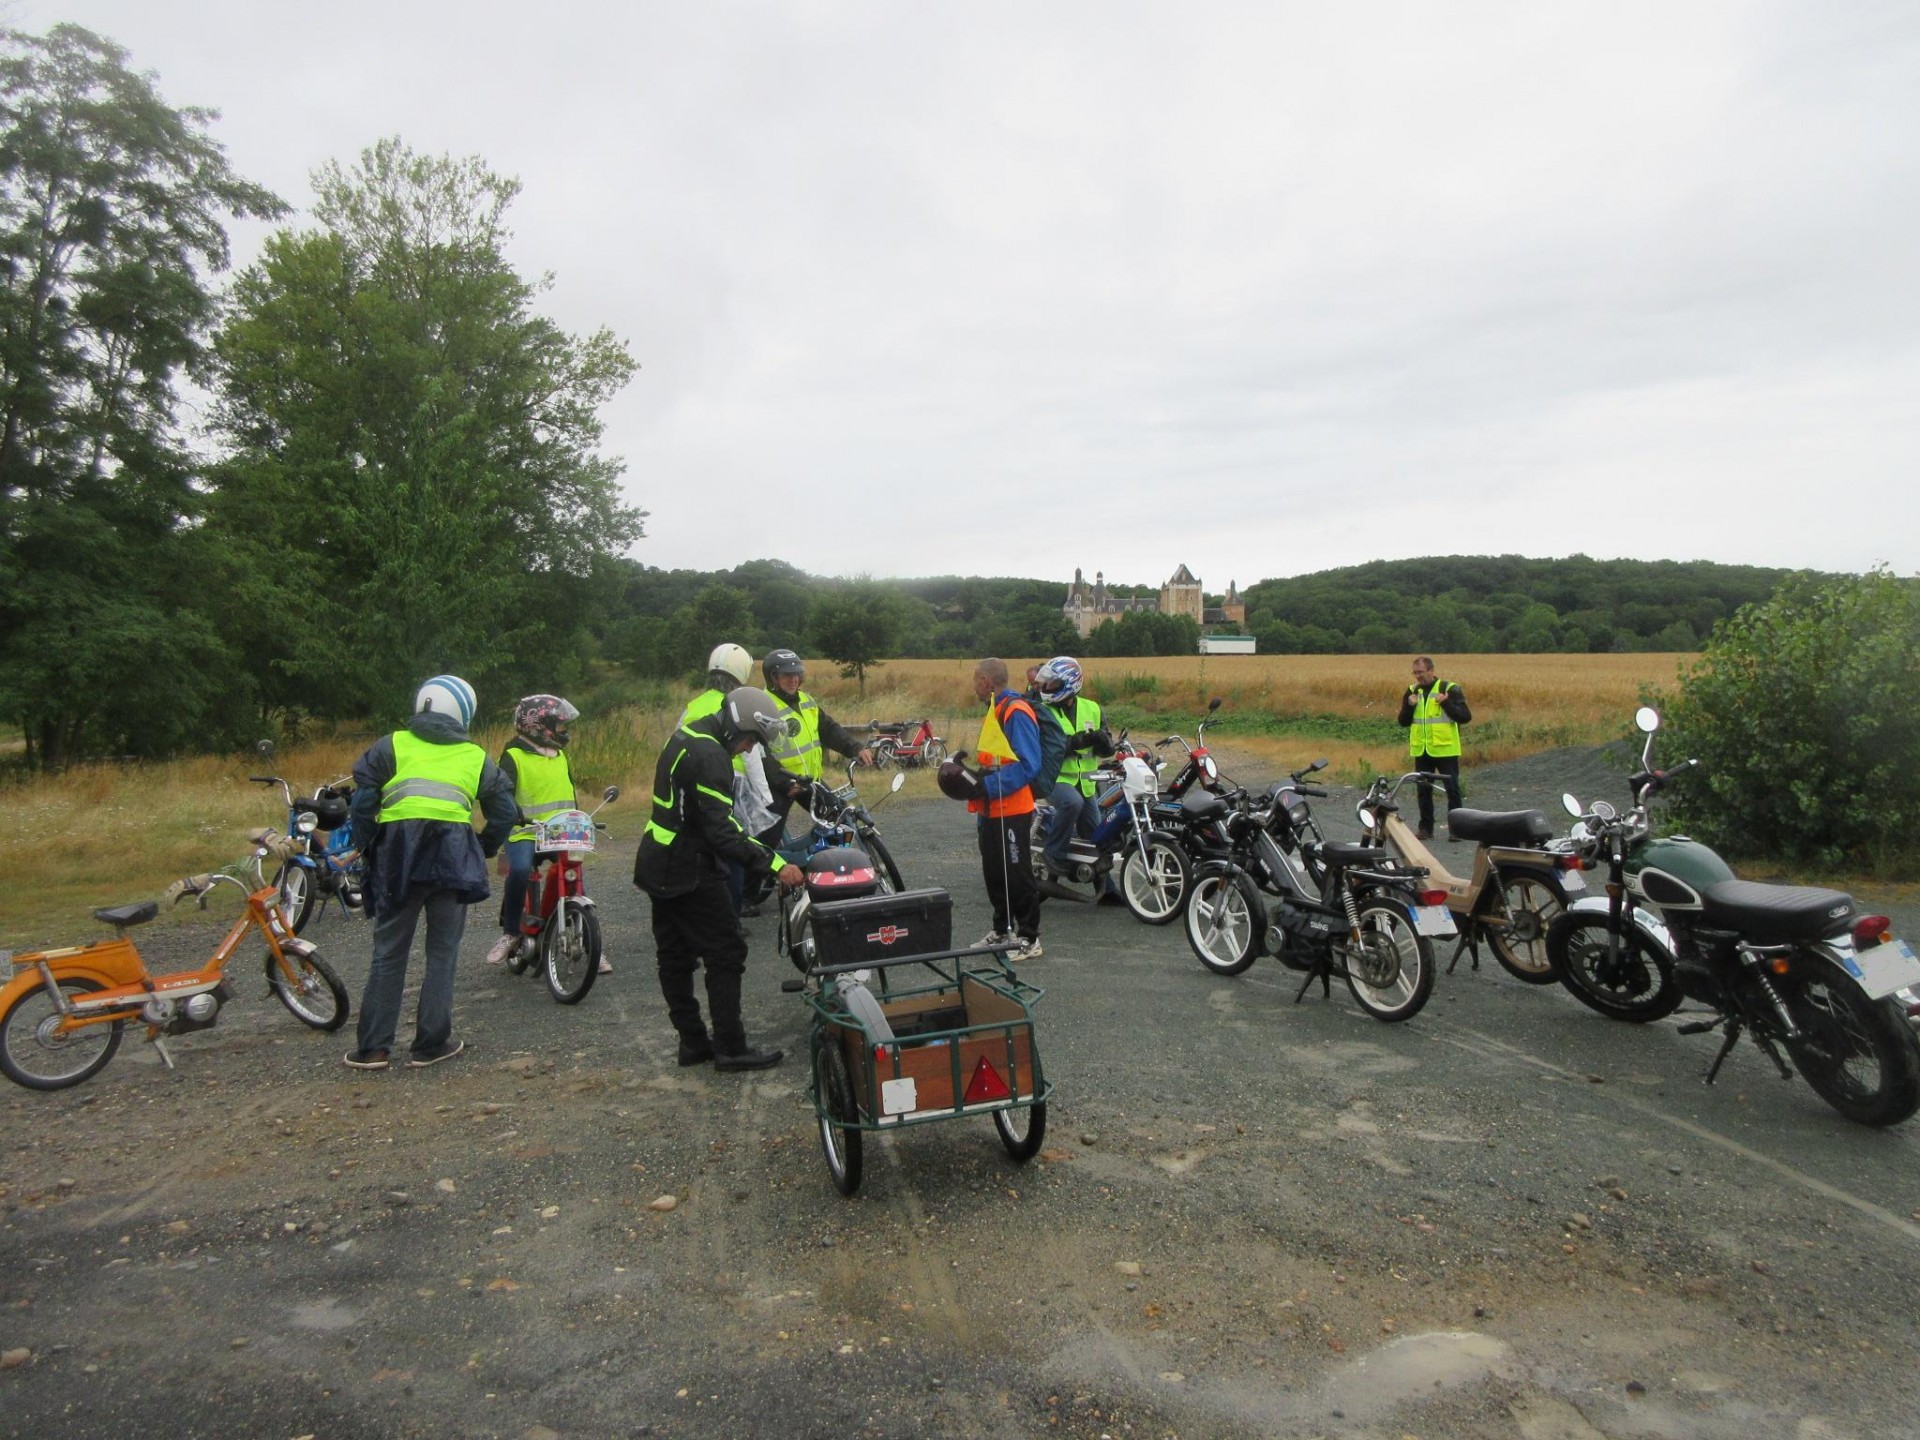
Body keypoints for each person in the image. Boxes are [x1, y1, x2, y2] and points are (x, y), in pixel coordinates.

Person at [343, 674, 517, 1071]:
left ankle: (373, 1049)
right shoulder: (476, 757)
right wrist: (482, 848)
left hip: (398, 858)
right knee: (443, 954)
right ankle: (430, 1044)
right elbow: (504, 813)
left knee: (388, 953)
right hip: (453, 860)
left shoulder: (391, 745)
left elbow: (363, 806)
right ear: (463, 712)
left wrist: (371, 847)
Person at [634, 686, 805, 1071]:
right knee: (726, 953)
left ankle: (693, 1043)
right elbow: (722, 832)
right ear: (735, 728)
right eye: (748, 741)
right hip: (689, 869)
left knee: (674, 956)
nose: (747, 750)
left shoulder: (687, 733)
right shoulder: (711, 756)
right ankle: (730, 1047)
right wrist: (777, 866)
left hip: (657, 860)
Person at [487, 695, 602, 971]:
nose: (564, 731)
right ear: (538, 726)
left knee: (573, 871)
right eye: (559, 725)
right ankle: (511, 932)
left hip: (559, 832)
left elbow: (569, 794)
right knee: (520, 869)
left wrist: (580, 820)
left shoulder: (560, 755)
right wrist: (512, 814)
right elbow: (502, 797)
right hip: (525, 831)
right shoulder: (512, 756)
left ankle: (588, 942)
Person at [956, 657, 1045, 962]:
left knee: (1017, 874)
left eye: (975, 679)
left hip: (1013, 809)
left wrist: (989, 786)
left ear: (987, 682)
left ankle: (1029, 938)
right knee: (994, 873)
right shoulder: (996, 709)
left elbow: (1029, 763)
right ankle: (1002, 929)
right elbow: (995, 760)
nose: (973, 686)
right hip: (991, 809)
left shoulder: (1016, 711)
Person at [758, 649, 872, 821]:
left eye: (796, 674)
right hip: (779, 786)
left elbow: (829, 729)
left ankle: (828, 850)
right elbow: (759, 752)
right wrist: (783, 783)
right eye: (787, 675)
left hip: (808, 781)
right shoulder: (762, 706)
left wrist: (855, 748)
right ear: (773, 678)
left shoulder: (806, 700)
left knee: (837, 818)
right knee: (768, 837)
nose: (794, 680)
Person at [1032, 656, 1107, 878]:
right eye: (1045, 683)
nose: (1046, 687)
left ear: (1070, 683)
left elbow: (1105, 749)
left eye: (1052, 683)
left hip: (1085, 782)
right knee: (1070, 802)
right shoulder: (1043, 711)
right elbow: (1047, 747)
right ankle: (1053, 854)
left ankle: (1106, 888)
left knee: (1097, 834)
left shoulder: (1092, 708)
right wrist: (1077, 742)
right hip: (1054, 778)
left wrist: (1105, 743)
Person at [1398, 655, 1472, 840]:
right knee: (1423, 791)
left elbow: (1465, 717)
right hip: (1422, 750)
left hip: (1445, 749)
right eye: (1415, 673)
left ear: (1431, 670)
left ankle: (1457, 830)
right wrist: (1409, 706)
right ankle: (1426, 828)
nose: (1417, 677)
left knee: (1452, 789)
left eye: (1420, 672)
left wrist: (1445, 703)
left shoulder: (1449, 689)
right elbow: (1403, 722)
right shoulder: (1412, 691)